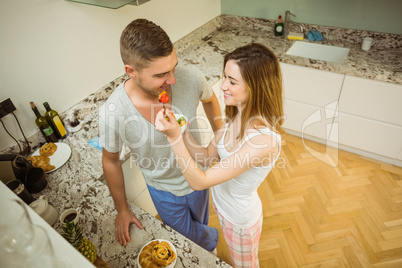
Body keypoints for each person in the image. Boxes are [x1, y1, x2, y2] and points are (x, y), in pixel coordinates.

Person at [155, 43, 284, 267]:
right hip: (222, 206)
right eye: (224, 76)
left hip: (239, 220)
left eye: (232, 81)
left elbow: (200, 181)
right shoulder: (236, 116)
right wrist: (182, 130)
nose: (223, 86)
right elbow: (206, 157)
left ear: (256, 87)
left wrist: (173, 138)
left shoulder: (263, 142)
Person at [99, 18, 222, 252]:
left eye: (174, 67)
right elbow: (110, 160)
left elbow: (210, 99)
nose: (173, 80)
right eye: (161, 75)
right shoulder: (113, 112)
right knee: (184, 239)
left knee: (200, 225)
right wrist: (122, 209)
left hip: (200, 178)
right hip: (163, 189)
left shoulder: (190, 76)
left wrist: (220, 138)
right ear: (131, 72)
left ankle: (207, 250)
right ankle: (209, 245)